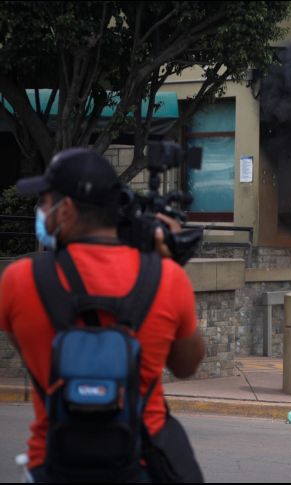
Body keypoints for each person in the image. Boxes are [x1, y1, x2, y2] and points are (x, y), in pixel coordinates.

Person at [0, 148, 206, 482]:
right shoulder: (167, 278)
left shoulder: (19, 281)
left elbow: (29, 350)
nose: (40, 210)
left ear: (65, 209)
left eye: (44, 201)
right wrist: (167, 264)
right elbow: (187, 365)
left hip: (52, 465)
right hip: (139, 464)